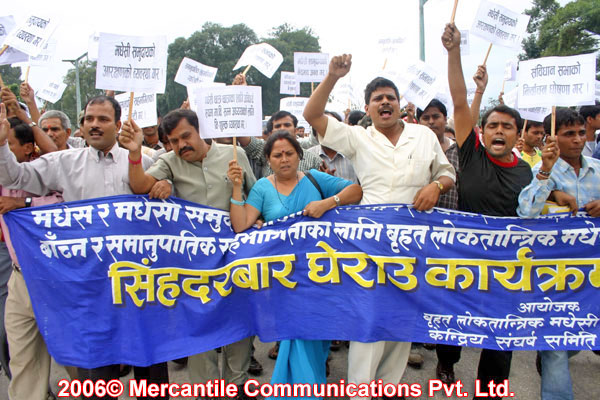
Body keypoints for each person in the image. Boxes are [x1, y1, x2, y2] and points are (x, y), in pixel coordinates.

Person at [303, 53, 455, 400]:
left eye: (390, 98)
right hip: (370, 245)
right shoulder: (358, 137)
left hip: (413, 244)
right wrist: (333, 76)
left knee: (402, 320)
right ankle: (360, 390)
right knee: (368, 320)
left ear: (400, 105)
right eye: (377, 99)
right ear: (368, 108)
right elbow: (312, 115)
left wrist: (436, 186)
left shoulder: (424, 135)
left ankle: (388, 387)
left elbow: (447, 173)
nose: (385, 103)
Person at [0, 95, 167, 400]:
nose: (94, 125)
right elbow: (16, 177)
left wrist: (165, 185)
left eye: (103, 119)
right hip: (90, 285)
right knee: (97, 370)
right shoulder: (63, 162)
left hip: (139, 282)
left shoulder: (144, 161)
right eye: (89, 119)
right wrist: (1, 146)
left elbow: (172, 202)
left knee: (150, 367)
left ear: (118, 124)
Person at [120, 108, 257, 397]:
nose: (181, 145)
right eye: (173, 141)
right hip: (193, 268)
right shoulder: (169, 162)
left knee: (238, 328)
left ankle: (239, 385)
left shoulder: (235, 155)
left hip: (235, 262)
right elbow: (139, 186)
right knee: (198, 333)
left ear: (200, 131)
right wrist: (135, 153)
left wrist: (256, 219)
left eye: (186, 136)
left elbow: (256, 196)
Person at [227, 130, 362, 398]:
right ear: (268, 159)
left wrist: (327, 203)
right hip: (285, 281)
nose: (284, 159)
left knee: (317, 338)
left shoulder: (314, 178)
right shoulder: (262, 187)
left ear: (299, 156)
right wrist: (236, 187)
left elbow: (356, 191)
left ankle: (312, 385)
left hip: (319, 277)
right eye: (277, 155)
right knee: (294, 337)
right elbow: (241, 225)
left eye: (289, 153)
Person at [444, 23, 533, 398]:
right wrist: (454, 52)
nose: (499, 131)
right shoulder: (471, 155)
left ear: (518, 134)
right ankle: (446, 363)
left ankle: (489, 391)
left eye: (506, 126)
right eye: (492, 125)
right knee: (452, 326)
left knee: (500, 341)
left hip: (506, 269)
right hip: (463, 261)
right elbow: (459, 102)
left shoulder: (528, 173)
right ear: (481, 132)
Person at [517, 108, 599, 400]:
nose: (577, 140)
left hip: (592, 277)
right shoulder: (540, 170)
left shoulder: (597, 169)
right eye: (569, 134)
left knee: (580, 337)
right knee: (556, 343)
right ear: (553, 138)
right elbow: (526, 211)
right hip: (554, 276)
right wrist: (546, 177)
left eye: (580, 133)